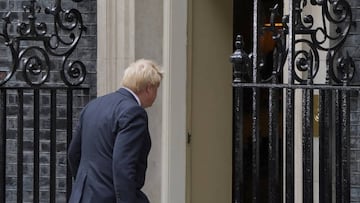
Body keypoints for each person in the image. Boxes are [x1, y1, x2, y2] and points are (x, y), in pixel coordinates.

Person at [67, 59, 163, 203]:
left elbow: (73, 154)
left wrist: (87, 185)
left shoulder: (93, 106)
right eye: (157, 88)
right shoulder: (134, 112)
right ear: (149, 88)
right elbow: (124, 166)